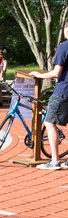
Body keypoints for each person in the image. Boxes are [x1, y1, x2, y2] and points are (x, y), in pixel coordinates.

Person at [31, 24, 68, 169]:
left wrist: (39, 75)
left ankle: (54, 161)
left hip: (63, 90)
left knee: (49, 123)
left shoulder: (64, 46)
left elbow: (56, 72)